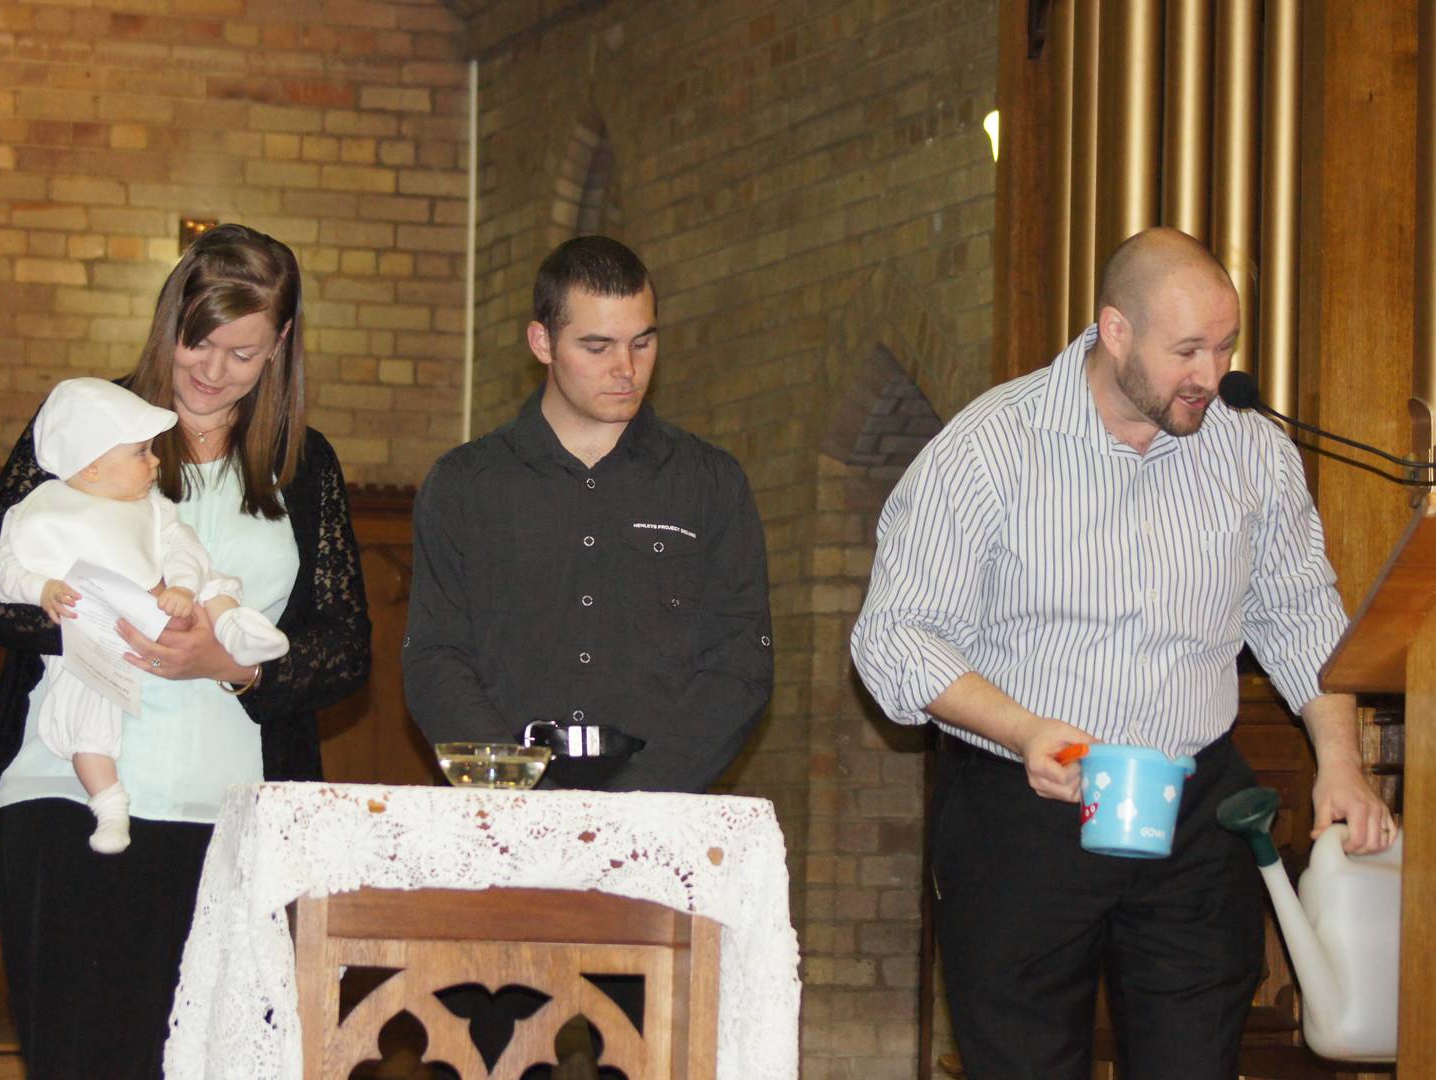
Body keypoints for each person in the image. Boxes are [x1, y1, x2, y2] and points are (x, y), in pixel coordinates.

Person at [849, 227, 1397, 1080]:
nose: (1210, 375)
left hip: (1194, 806)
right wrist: (1026, 730)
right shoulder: (990, 446)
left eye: (1224, 347)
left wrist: (1340, 762)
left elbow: (1298, 614)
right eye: (1186, 351)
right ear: (1114, 331)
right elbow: (892, 636)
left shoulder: (1251, 449)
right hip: (1024, 804)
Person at [0, 223, 371, 1079]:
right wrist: (99, 619)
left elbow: (346, 647)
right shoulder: (87, 421)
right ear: (168, 319)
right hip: (70, 794)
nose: (212, 371)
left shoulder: (303, 463)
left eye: (242, 353)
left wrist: (232, 665)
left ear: (281, 345)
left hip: (230, 812)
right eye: (196, 342)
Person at [402, 234, 773, 794]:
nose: (626, 368)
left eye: (643, 342)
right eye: (597, 347)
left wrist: (642, 798)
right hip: (507, 803)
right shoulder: (464, 485)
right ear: (542, 342)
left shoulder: (709, 483)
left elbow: (739, 665)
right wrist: (517, 790)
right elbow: (436, 660)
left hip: (661, 806)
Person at [0, 376, 290, 854]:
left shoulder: (152, 510)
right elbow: (3, 571)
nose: (155, 462)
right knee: (87, 710)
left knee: (213, 580)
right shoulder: (40, 513)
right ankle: (109, 802)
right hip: (99, 641)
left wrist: (182, 586)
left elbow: (185, 548)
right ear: (91, 467)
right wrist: (41, 589)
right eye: (141, 453)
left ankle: (236, 629)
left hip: (173, 611)